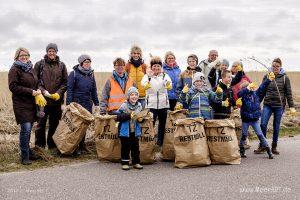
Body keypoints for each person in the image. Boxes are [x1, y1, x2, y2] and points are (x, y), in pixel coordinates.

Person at [8, 47, 46, 165]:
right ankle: (24, 157)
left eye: (26, 55)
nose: (24, 57)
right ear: (17, 57)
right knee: (26, 129)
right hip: (20, 104)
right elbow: (13, 87)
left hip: (31, 104)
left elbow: (38, 83)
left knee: (29, 130)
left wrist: (39, 91)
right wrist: (31, 92)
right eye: (22, 55)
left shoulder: (31, 68)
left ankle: (28, 153)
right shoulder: (14, 69)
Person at [255, 58, 296, 154]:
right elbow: (261, 91)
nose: (275, 68)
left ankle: (274, 146)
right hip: (267, 104)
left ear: (280, 67)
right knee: (263, 124)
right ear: (271, 66)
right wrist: (256, 103)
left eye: (277, 66)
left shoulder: (285, 78)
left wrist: (292, 107)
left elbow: (288, 93)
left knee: (276, 126)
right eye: (273, 66)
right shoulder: (267, 76)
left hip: (279, 106)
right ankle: (263, 145)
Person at [34, 43, 68, 151]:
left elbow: (65, 83)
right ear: (47, 52)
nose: (51, 53)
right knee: (41, 125)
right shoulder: (40, 64)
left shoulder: (62, 65)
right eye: (49, 51)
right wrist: (44, 92)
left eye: (53, 51)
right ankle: (40, 148)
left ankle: (52, 146)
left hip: (56, 102)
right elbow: (35, 81)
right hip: (42, 102)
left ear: (56, 52)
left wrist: (59, 93)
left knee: (54, 124)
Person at [66, 54, 99, 154]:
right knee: (76, 126)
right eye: (86, 62)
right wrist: (69, 104)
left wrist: (96, 103)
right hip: (77, 104)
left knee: (84, 125)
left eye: (89, 62)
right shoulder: (74, 74)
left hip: (87, 103)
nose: (88, 64)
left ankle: (82, 145)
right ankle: (74, 146)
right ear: (81, 63)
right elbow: (70, 89)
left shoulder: (91, 75)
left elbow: (94, 90)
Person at [237, 72, 275, 159]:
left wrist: (268, 80)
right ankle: (242, 150)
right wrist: (247, 89)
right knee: (244, 135)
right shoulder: (242, 96)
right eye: (249, 87)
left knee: (260, 134)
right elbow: (239, 94)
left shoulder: (256, 94)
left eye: (251, 86)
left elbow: (262, 87)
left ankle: (268, 150)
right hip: (246, 119)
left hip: (255, 119)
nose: (251, 88)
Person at [141, 56, 172, 147]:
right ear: (151, 67)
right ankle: (150, 143)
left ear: (161, 67)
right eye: (154, 66)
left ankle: (160, 143)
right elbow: (143, 84)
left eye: (158, 66)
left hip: (163, 104)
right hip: (151, 105)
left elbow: (169, 84)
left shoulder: (165, 75)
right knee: (151, 124)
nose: (156, 68)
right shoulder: (147, 76)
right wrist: (146, 84)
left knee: (162, 124)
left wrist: (168, 84)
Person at [116, 87, 143, 170]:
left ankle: (136, 162)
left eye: (136, 95)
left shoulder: (139, 106)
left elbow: (141, 117)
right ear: (128, 96)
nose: (134, 96)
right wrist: (128, 115)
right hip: (125, 131)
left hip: (135, 130)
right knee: (125, 147)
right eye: (132, 95)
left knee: (135, 147)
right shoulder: (124, 105)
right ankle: (125, 163)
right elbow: (118, 117)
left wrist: (141, 119)